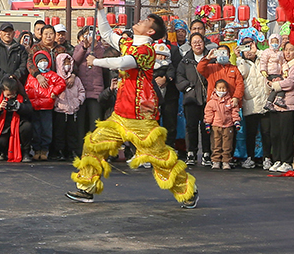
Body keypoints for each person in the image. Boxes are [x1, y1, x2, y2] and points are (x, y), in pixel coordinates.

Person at [66, 12, 198, 208]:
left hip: (141, 117)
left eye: (145, 21)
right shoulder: (128, 44)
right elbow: (108, 34)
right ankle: (86, 187)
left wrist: (97, 62)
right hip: (120, 114)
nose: (139, 21)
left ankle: (187, 191)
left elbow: (124, 63)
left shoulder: (147, 50)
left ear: (151, 31)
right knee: (94, 144)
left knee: (160, 157)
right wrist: (101, 10)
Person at [266, 36, 294, 173]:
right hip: (277, 104)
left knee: (286, 134)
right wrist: (271, 80)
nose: (287, 53)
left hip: (289, 105)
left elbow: (291, 82)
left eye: (291, 50)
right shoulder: (282, 64)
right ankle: (277, 159)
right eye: (286, 50)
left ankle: (287, 161)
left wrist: (275, 84)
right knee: (275, 134)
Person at [175, 33, 212, 167]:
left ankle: (207, 153)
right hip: (191, 98)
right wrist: (187, 88)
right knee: (191, 126)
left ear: (204, 43)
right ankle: (191, 152)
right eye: (194, 42)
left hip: (207, 98)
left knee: (206, 126)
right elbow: (179, 76)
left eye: (200, 42)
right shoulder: (185, 61)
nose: (197, 44)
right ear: (190, 44)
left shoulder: (211, 58)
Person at [234, 31, 269, 170]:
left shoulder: (262, 59)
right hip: (250, 102)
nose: (248, 49)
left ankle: (266, 157)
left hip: (265, 100)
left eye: (250, 45)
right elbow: (241, 73)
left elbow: (268, 62)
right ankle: (250, 157)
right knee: (251, 132)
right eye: (245, 46)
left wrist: (257, 52)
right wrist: (239, 58)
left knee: (266, 132)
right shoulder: (242, 62)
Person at [23, 47, 65, 161]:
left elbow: (61, 84)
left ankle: (45, 150)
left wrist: (54, 93)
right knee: (36, 129)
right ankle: (36, 149)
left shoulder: (52, 75)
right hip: (35, 106)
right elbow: (27, 88)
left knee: (47, 129)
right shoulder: (32, 76)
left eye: (44, 61)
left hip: (47, 106)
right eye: (40, 62)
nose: (43, 63)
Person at [51, 32, 86, 161]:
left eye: (68, 62)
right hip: (60, 110)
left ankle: (72, 151)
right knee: (60, 132)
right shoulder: (56, 78)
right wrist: (56, 103)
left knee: (72, 132)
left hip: (73, 110)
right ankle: (60, 151)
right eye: (64, 63)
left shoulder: (75, 79)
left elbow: (82, 91)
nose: (66, 65)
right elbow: (52, 93)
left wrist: (78, 101)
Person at [0, 76, 36, 162]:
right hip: (4, 127)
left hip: (19, 124)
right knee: (0, 141)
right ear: (3, 91)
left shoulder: (22, 96)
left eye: (13, 94)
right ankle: (3, 152)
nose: (10, 97)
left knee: (27, 127)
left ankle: (26, 151)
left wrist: (19, 107)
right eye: (8, 95)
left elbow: (30, 110)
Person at [204, 78, 241, 169]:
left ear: (227, 89)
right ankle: (216, 160)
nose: (221, 90)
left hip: (228, 126)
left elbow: (234, 112)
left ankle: (226, 161)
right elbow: (208, 113)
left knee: (227, 144)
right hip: (216, 126)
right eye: (219, 88)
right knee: (216, 143)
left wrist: (236, 121)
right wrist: (208, 123)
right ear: (215, 89)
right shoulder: (211, 102)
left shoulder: (230, 101)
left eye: (223, 88)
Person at [0, 23, 28, 87]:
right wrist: (4, 76)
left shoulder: (21, 49)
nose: (7, 33)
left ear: (13, 33)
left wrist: (15, 76)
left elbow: (24, 65)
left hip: (15, 85)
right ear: (0, 33)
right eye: (5, 31)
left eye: (9, 31)